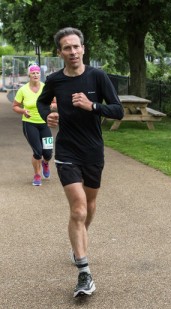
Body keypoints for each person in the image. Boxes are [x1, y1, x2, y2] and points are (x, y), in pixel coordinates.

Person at [37, 27, 124, 297]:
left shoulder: (97, 77)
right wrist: (47, 117)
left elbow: (118, 110)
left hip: (93, 151)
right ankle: (84, 272)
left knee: (89, 206)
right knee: (78, 210)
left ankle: (79, 241)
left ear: (83, 49)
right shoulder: (54, 80)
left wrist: (93, 106)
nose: (72, 52)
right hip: (67, 151)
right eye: (67, 48)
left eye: (76, 47)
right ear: (60, 52)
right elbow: (42, 103)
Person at [12, 63, 55, 186]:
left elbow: (55, 102)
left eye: (37, 73)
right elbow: (14, 106)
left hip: (44, 123)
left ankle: (45, 163)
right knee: (38, 152)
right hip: (29, 124)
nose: (35, 75)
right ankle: (37, 174)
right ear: (29, 75)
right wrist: (23, 111)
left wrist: (52, 105)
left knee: (48, 153)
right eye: (33, 73)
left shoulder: (46, 87)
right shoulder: (23, 90)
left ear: (40, 74)